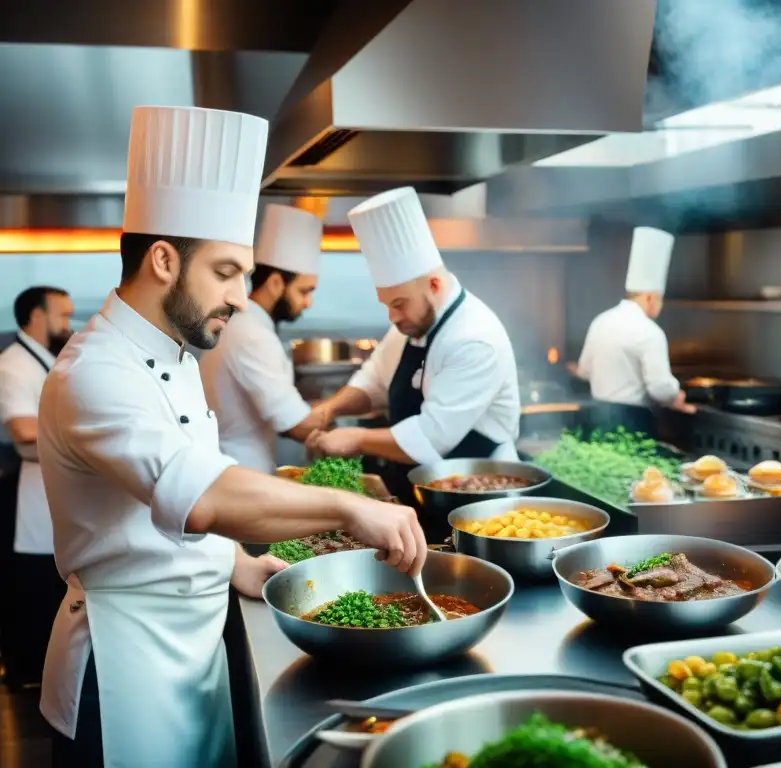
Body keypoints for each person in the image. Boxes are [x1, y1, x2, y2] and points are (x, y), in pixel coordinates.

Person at [37, 105, 426, 768]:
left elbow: (170, 499)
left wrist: (239, 564)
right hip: (123, 664)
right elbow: (203, 497)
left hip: (192, 648)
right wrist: (351, 505)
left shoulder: (177, 351)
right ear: (164, 260)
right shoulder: (95, 373)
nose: (242, 296)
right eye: (226, 272)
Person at [305, 188, 520, 508]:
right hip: (423, 487)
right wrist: (330, 409)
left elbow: (430, 436)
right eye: (387, 305)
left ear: (434, 285)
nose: (392, 317)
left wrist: (356, 438)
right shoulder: (410, 323)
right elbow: (374, 382)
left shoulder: (475, 339)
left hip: (481, 492)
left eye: (399, 304)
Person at [200, 203, 334, 473]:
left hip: (241, 469)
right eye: (304, 291)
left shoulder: (246, 325)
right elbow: (295, 424)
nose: (308, 303)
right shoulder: (251, 334)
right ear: (275, 283)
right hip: (237, 473)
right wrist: (338, 417)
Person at [0, 286, 73, 689]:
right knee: (34, 590)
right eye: (62, 315)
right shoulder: (14, 365)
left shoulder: (46, 360)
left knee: (53, 584)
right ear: (36, 317)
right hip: (33, 493)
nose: (67, 325)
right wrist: (82, 434)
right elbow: (22, 428)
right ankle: (28, 676)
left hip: (56, 488)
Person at [577, 226, 692, 412]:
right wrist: (676, 393)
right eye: (660, 299)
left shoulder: (601, 321)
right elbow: (660, 388)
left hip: (597, 415)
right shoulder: (651, 333)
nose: (660, 306)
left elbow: (584, 370)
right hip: (631, 420)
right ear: (649, 298)